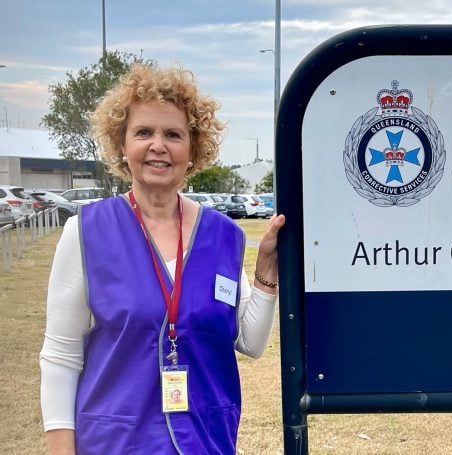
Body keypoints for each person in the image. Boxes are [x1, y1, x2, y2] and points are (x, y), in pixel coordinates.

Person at [39, 64, 286, 454]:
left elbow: (251, 343)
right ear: (123, 145)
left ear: (193, 150)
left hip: (205, 441)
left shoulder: (224, 236)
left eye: (173, 134)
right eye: (143, 132)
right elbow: (60, 357)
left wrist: (267, 273)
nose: (158, 145)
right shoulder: (86, 232)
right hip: (114, 443)